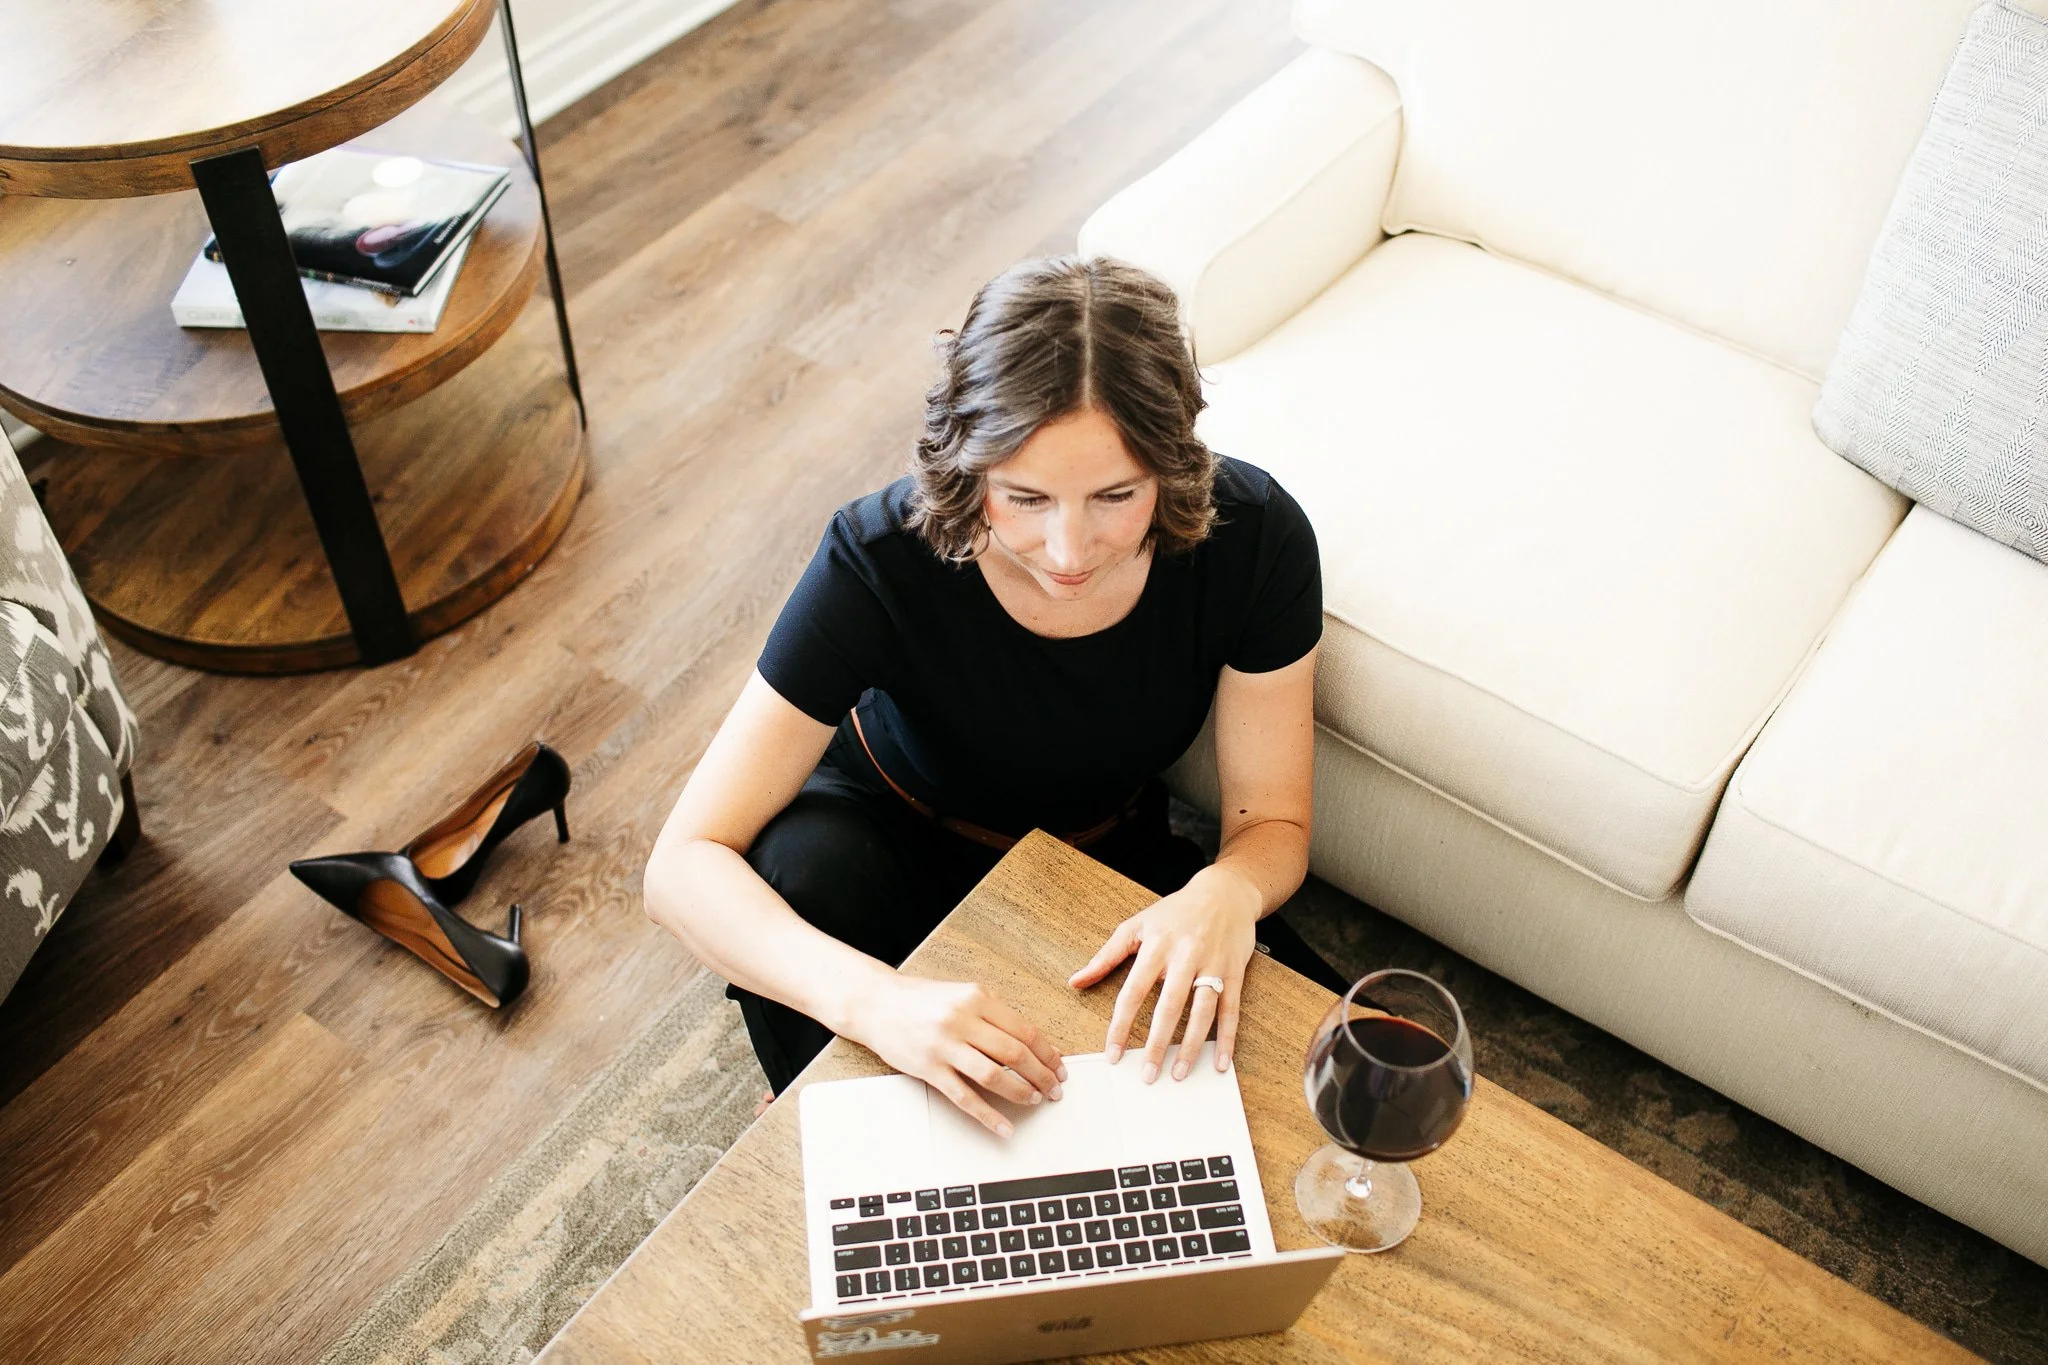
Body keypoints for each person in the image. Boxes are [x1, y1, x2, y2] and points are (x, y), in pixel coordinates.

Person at [642, 256, 1346, 1137]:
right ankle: (819, 1115)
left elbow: (1271, 825)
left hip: (1099, 848)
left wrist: (1227, 891)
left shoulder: (1257, 537)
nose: (1067, 549)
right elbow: (678, 866)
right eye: (1024, 498)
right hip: (882, 843)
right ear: (969, 466)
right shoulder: (876, 556)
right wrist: (875, 1004)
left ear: (1172, 462)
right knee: (810, 881)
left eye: (1115, 496)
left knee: (1312, 1076)